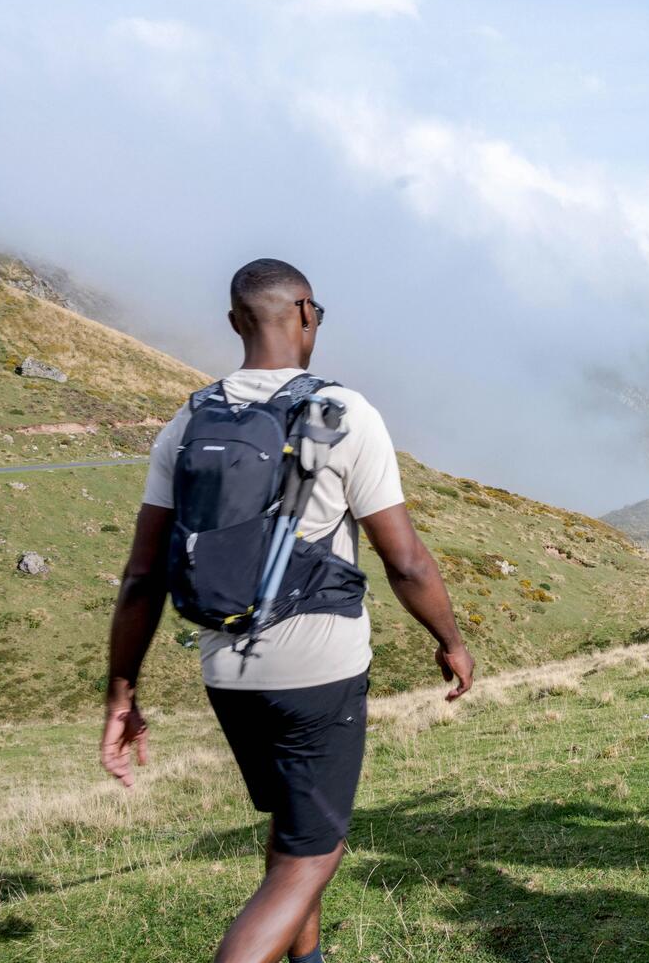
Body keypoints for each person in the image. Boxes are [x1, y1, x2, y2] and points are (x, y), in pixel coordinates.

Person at [100, 259, 474, 963]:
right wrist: (451, 638)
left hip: (226, 670)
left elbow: (142, 573)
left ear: (237, 320)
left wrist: (122, 689)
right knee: (312, 855)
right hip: (320, 668)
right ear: (305, 313)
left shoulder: (190, 418)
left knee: (292, 830)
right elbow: (407, 560)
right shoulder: (343, 412)